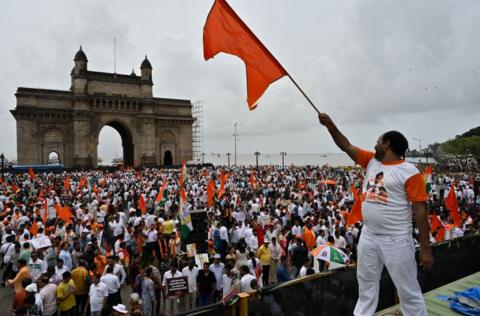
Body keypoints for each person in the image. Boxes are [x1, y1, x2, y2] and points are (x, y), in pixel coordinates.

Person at [319, 113, 433, 316]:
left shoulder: (410, 172)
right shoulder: (371, 161)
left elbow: (421, 211)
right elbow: (346, 145)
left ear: (387, 144)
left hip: (397, 239)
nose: (375, 144)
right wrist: (331, 126)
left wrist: (425, 248)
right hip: (369, 236)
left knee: (408, 292)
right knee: (366, 288)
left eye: (378, 141)